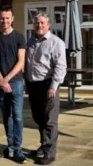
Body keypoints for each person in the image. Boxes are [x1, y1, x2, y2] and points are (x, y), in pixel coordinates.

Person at [25, 13, 67, 165]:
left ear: (48, 25)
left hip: (48, 86)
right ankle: (43, 146)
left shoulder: (56, 42)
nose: (39, 25)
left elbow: (61, 67)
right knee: (39, 119)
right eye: (37, 23)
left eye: (42, 23)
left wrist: (54, 86)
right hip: (33, 86)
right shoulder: (30, 42)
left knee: (50, 121)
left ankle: (50, 152)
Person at [0, 6, 27, 164]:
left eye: (7, 18)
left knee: (17, 116)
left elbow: (21, 62)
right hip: (0, 83)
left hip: (16, 82)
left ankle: (18, 149)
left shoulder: (19, 37)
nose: (4, 21)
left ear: (12, 19)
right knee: (6, 116)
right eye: (1, 18)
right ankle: (10, 147)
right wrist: (0, 79)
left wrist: (7, 79)